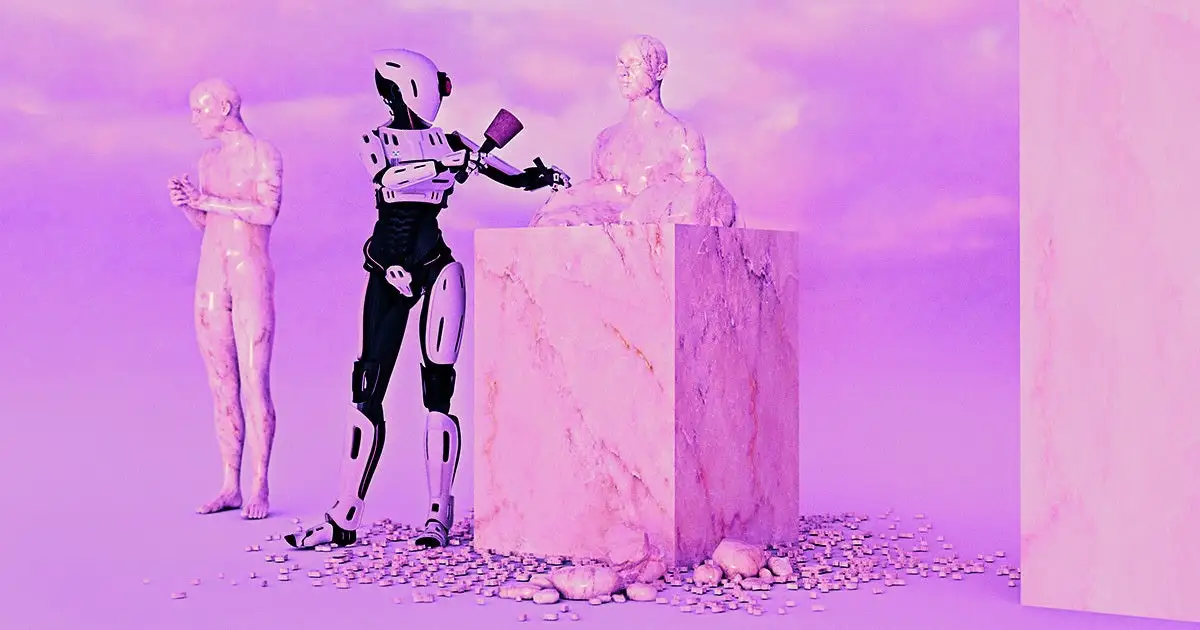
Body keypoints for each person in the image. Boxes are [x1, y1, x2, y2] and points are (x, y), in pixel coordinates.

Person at [285, 49, 567, 550]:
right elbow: (387, 179)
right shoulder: (378, 140)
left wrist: (538, 177)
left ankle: (439, 511)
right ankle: (345, 511)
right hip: (387, 267)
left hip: (436, 264)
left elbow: (504, 172)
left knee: (439, 388)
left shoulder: (451, 141)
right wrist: (445, 162)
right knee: (368, 386)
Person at [167, 78, 282, 520]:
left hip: (250, 274)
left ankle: (259, 485)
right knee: (221, 384)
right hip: (212, 275)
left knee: (254, 381)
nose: (195, 119)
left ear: (224, 107)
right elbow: (209, 223)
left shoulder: (263, 153)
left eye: (200, 109)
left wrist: (208, 200)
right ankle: (230, 484)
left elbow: (266, 213)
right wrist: (189, 205)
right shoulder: (208, 161)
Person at [530, 35, 738, 228]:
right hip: (614, 235)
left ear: (660, 71)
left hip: (651, 235)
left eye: (635, 64)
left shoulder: (682, 136)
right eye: (620, 63)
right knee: (551, 217)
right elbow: (596, 195)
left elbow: (696, 199)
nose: (623, 72)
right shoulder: (605, 140)